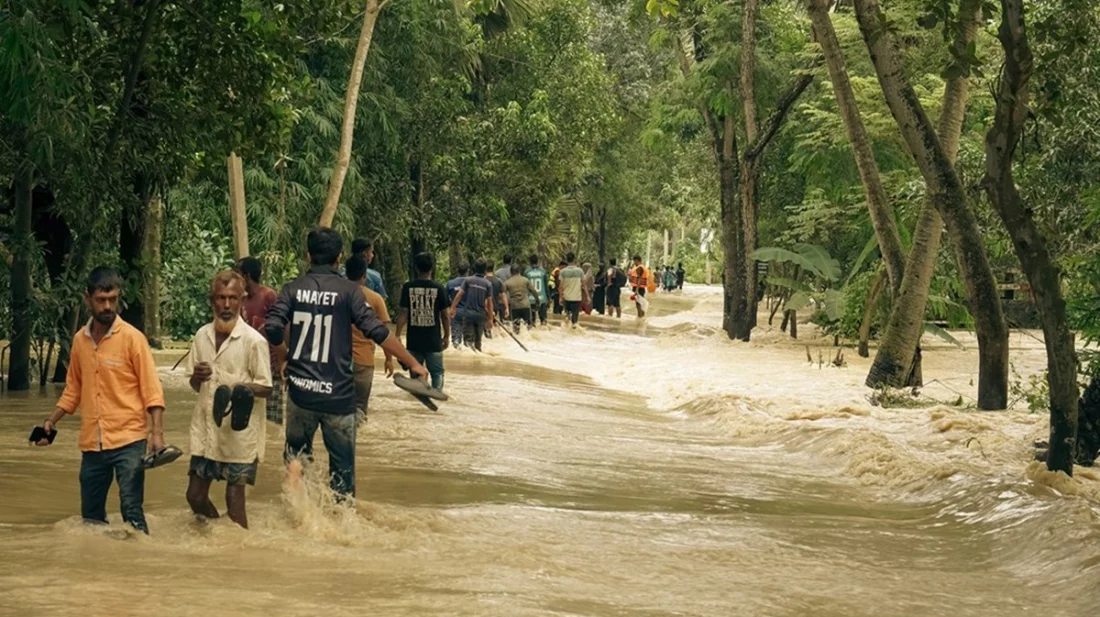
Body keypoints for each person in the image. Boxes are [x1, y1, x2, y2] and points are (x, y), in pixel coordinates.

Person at [265, 227, 427, 500]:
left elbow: (272, 327)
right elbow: (377, 330)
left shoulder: (292, 290)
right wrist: (412, 363)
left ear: (308, 256)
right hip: (338, 396)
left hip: (301, 393)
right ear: (339, 257)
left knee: (296, 457)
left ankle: (295, 515)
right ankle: (341, 525)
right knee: (342, 472)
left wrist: (284, 357)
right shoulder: (350, 292)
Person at [36, 267, 165, 534]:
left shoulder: (133, 339)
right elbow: (73, 390)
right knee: (91, 518)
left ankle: (139, 566)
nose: (107, 306)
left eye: (113, 299)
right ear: (88, 298)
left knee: (132, 513)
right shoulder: (79, 342)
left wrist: (156, 433)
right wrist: (50, 421)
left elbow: (151, 389)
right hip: (92, 445)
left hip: (129, 440)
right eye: (101, 300)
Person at [185, 271, 273, 529]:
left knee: (234, 501)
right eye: (221, 298)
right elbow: (193, 383)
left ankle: (237, 552)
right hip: (206, 429)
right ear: (212, 300)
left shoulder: (254, 341)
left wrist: (241, 389)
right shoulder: (202, 336)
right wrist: (198, 378)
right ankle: (213, 535)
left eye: (232, 298)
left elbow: (266, 387)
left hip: (239, 433)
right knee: (195, 496)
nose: (226, 305)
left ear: (241, 300)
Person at [346, 254, 393, 422]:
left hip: (336, 361)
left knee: (336, 411)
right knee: (360, 411)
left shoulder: (335, 295)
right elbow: (384, 333)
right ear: (364, 276)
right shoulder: (375, 298)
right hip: (363, 362)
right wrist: (389, 359)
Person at [396, 252, 451, 390]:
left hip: (414, 341)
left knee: (415, 373)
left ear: (416, 268)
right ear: (432, 268)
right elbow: (445, 315)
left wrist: (397, 334)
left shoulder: (408, 288)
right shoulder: (439, 288)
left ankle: (418, 397)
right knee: (437, 373)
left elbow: (404, 313)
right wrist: (446, 336)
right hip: (433, 341)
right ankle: (436, 393)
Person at [238, 256, 283, 424]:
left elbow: (280, 328)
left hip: (270, 365)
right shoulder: (241, 300)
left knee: (272, 419)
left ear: (246, 276)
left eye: (238, 273)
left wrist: (281, 361)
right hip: (247, 365)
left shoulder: (269, 296)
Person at [449, 258, 495, 352]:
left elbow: (459, 295)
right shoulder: (488, 284)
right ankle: (478, 360)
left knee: (468, 343)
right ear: (485, 270)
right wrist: (490, 319)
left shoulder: (468, 280)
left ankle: (470, 362)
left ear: (474, 268)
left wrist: (453, 307)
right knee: (478, 342)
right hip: (481, 316)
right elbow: (489, 303)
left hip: (469, 315)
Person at [505, 263, 539, 333]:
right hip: (525, 306)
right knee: (529, 327)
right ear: (519, 271)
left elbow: (502, 295)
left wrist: (505, 307)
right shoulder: (525, 280)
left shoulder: (507, 282)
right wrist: (537, 300)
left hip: (515, 307)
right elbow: (533, 291)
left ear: (511, 272)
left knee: (516, 329)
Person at [446, 263, 469, 348]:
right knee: (469, 340)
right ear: (467, 271)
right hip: (469, 312)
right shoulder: (471, 282)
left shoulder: (450, 283)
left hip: (455, 312)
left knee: (456, 340)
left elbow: (445, 299)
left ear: (457, 271)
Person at [559, 253, 585, 326]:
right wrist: (588, 297)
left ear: (567, 260)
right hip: (576, 297)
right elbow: (584, 284)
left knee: (567, 316)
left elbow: (560, 286)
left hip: (566, 297)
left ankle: (567, 330)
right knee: (575, 318)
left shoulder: (563, 271)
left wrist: (560, 298)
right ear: (574, 259)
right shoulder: (580, 271)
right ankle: (573, 329)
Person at [524, 255, 550, 327]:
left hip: (530, 299)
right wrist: (548, 298)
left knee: (531, 322)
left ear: (530, 262)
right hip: (542, 299)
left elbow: (525, 287)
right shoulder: (543, 272)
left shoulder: (526, 272)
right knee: (543, 321)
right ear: (537, 261)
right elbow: (546, 286)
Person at [486, 261, 508, 334]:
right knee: (493, 326)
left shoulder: (482, 280)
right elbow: (503, 295)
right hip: (495, 307)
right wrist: (506, 308)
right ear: (493, 269)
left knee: (486, 329)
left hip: (484, 308)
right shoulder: (499, 281)